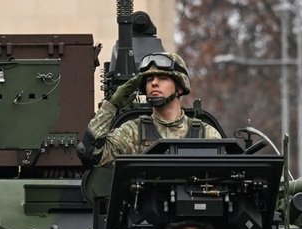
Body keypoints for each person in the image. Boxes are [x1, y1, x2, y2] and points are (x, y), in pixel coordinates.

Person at [82, 52, 222, 168]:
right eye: (149, 79)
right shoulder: (132, 133)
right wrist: (111, 105)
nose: (154, 83)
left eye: (162, 78)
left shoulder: (206, 135)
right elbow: (90, 154)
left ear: (180, 87)